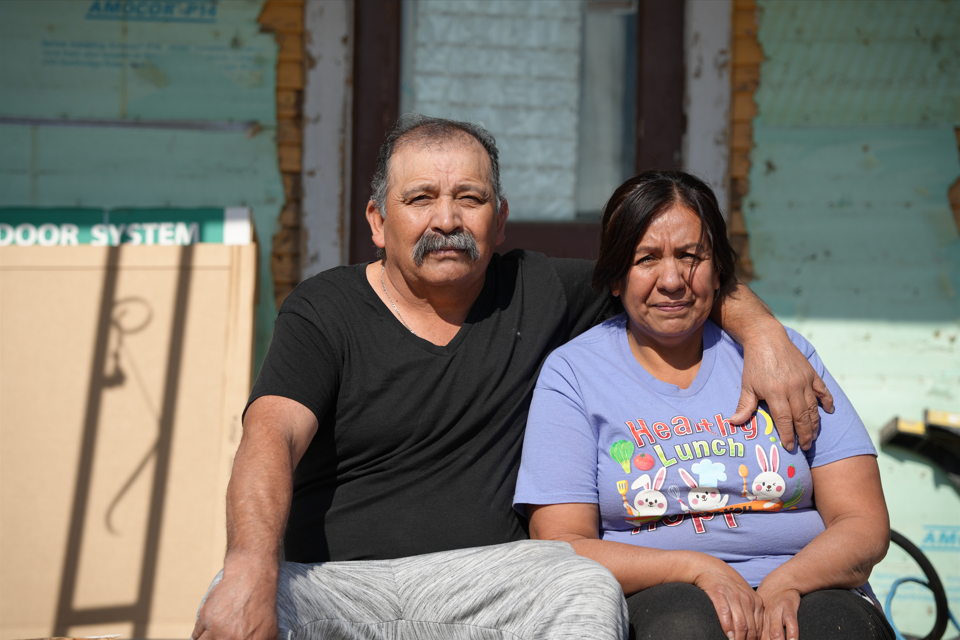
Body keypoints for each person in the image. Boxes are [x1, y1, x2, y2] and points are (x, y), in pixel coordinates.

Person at [192, 116, 836, 640]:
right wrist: (249, 567)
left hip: (498, 586)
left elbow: (664, 279)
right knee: (238, 601)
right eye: (420, 199)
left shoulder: (538, 288)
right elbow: (269, 437)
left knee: (583, 586)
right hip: (343, 585)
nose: (447, 219)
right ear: (378, 221)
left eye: (468, 198)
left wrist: (765, 334)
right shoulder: (322, 310)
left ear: (499, 219)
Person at [514, 170, 894, 640]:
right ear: (615, 277)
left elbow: (863, 521)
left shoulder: (783, 359)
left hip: (807, 584)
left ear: (718, 271)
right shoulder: (574, 373)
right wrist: (696, 567)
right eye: (646, 259)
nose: (672, 280)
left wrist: (786, 583)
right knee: (685, 627)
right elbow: (561, 543)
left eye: (691, 257)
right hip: (658, 592)